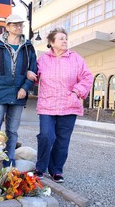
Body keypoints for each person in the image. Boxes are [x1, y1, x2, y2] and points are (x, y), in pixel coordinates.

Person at [32, 27, 93, 183]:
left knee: (62, 140)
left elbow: (87, 77)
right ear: (52, 43)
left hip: (69, 105)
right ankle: (40, 168)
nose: (65, 41)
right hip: (47, 104)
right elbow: (35, 77)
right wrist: (29, 74)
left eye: (65, 38)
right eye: (60, 38)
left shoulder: (76, 59)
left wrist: (76, 92)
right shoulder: (42, 60)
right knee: (46, 136)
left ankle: (56, 170)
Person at [0, 14, 37, 167]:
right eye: (15, 25)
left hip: (19, 93)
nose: (19, 27)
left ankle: (9, 162)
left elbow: (33, 70)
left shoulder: (28, 47)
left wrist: (25, 87)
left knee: (12, 131)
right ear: (7, 27)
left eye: (20, 25)